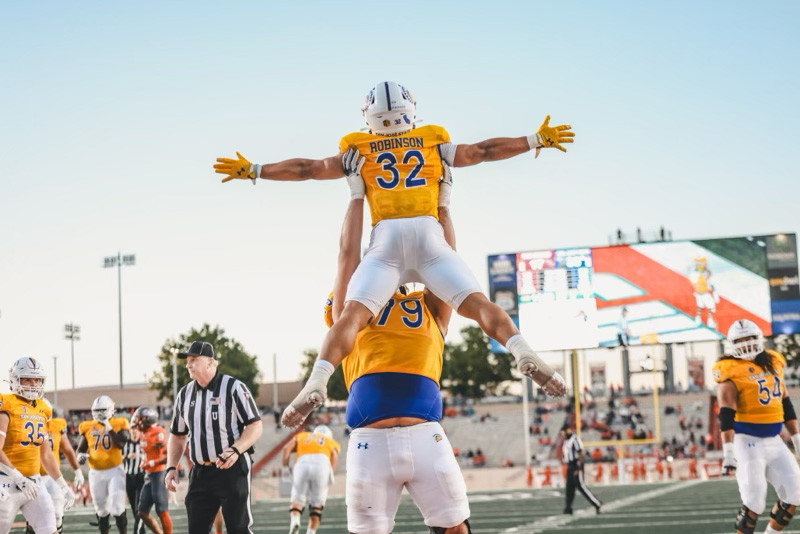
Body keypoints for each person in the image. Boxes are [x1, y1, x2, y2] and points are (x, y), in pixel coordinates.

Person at [214, 81, 570, 428]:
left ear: (369, 117)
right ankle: (521, 349)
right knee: (477, 304)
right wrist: (534, 140)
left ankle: (318, 379)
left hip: (386, 241)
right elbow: (483, 151)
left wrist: (257, 170)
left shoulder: (360, 148)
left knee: (349, 317)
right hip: (429, 236)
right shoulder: (433, 141)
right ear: (410, 111)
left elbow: (309, 170)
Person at [321, 173, 471, 534]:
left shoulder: (429, 305)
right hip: (371, 443)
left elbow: (447, 257)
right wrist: (355, 196)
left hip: (424, 437)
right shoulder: (356, 307)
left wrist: (443, 205)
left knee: (456, 530)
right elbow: (346, 256)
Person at [165, 341, 263, 534]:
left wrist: (236, 450)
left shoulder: (233, 387)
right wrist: (171, 467)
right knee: (197, 529)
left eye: (194, 360)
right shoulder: (184, 394)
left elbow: (255, 425)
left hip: (232, 469)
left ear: (210, 362)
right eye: (187, 360)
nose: (188, 365)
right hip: (201, 472)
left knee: (238, 528)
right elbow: (177, 435)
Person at [713, 319, 800, 534]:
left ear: (758, 338)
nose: (746, 344)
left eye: (750, 338)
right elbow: (726, 414)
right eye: (740, 340)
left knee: (794, 494)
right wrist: (728, 452)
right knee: (754, 501)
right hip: (747, 440)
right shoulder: (729, 369)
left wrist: (797, 440)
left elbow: (785, 404)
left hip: (774, 439)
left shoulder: (773, 361)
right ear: (731, 344)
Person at [0, 357, 75, 534]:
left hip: (34, 482)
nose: (33, 384)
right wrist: (17, 476)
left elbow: (46, 455)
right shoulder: (7, 403)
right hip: (5, 482)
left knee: (49, 529)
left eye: (37, 379)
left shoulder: (43, 408)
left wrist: (63, 486)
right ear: (15, 379)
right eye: (27, 379)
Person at [27, 398, 83, 534]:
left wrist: (78, 471)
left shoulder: (56, 426)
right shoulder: (27, 425)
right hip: (33, 476)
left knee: (58, 514)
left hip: (53, 477)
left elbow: (68, 450)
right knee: (34, 519)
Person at [77, 395, 132, 534]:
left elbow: (120, 444)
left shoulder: (119, 422)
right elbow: (81, 449)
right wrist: (81, 456)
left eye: (103, 410)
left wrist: (108, 427)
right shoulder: (88, 426)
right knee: (101, 509)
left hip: (115, 471)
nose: (100, 414)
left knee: (117, 507)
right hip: (95, 472)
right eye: (97, 410)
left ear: (111, 410)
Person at [282, 425, 340, 534]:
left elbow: (286, 449)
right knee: (317, 505)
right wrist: (331, 471)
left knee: (297, 500)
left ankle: (295, 521)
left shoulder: (303, 435)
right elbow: (334, 455)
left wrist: (285, 469)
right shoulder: (330, 441)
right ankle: (311, 531)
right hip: (322, 464)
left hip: (302, 463)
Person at [132, 406, 172, 534]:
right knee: (142, 512)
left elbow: (168, 456)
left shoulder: (158, 431)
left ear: (148, 419)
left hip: (159, 474)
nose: (137, 422)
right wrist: (145, 462)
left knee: (162, 511)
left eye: (140, 419)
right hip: (149, 476)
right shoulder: (144, 433)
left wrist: (152, 462)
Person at [561, 427, 601, 515]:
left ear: (568, 430)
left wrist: (578, 467)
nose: (562, 435)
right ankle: (568, 508)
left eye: (563, 432)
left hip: (575, 465)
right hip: (570, 465)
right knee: (569, 488)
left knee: (581, 487)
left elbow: (580, 453)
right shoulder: (566, 441)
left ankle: (596, 503)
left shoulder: (575, 439)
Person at [121, 431, 145, 534]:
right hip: (129, 478)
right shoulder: (124, 444)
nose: (134, 434)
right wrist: (127, 456)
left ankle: (137, 531)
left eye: (136, 432)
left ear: (139, 433)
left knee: (138, 508)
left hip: (141, 477)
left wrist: (141, 457)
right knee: (133, 507)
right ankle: (142, 531)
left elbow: (150, 456)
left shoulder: (143, 443)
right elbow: (117, 458)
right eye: (133, 432)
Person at [688, 256, 717, 328]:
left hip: (698, 294)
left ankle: (697, 319)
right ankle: (709, 321)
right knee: (711, 307)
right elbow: (709, 275)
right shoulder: (699, 277)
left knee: (700, 307)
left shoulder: (694, 276)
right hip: (704, 294)